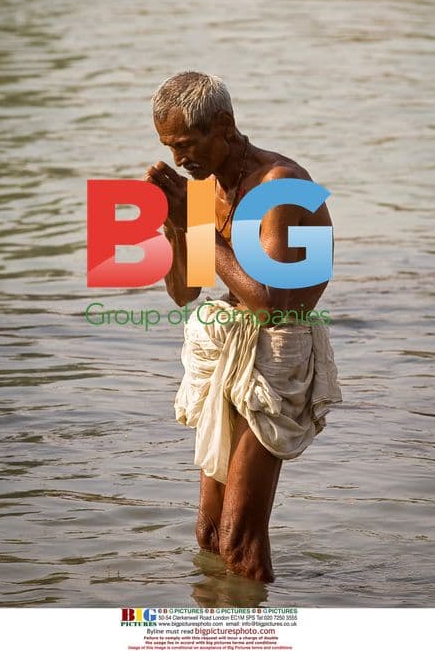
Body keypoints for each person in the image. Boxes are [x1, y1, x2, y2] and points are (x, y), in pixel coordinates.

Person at [145, 71, 341, 583]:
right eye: (170, 146)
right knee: (209, 535)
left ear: (225, 126)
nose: (181, 158)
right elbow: (185, 292)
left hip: (277, 351)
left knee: (240, 538)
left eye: (188, 144)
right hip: (226, 344)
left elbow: (272, 303)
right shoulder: (206, 187)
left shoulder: (282, 185)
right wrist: (176, 225)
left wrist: (200, 227)